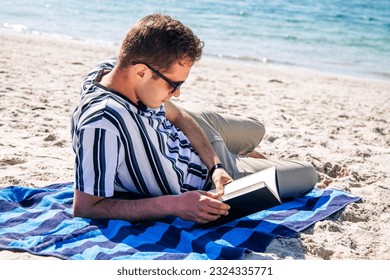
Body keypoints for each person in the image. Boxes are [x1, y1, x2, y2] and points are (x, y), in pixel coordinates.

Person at [71, 13, 318, 225]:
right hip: (200, 176)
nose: (177, 93)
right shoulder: (103, 123)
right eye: (173, 84)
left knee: (256, 130)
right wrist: (175, 205)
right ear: (141, 72)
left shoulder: (114, 70)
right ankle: (241, 160)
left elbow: (178, 114)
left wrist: (217, 166)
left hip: (198, 131)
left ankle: (244, 154)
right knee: (308, 175)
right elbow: (86, 207)